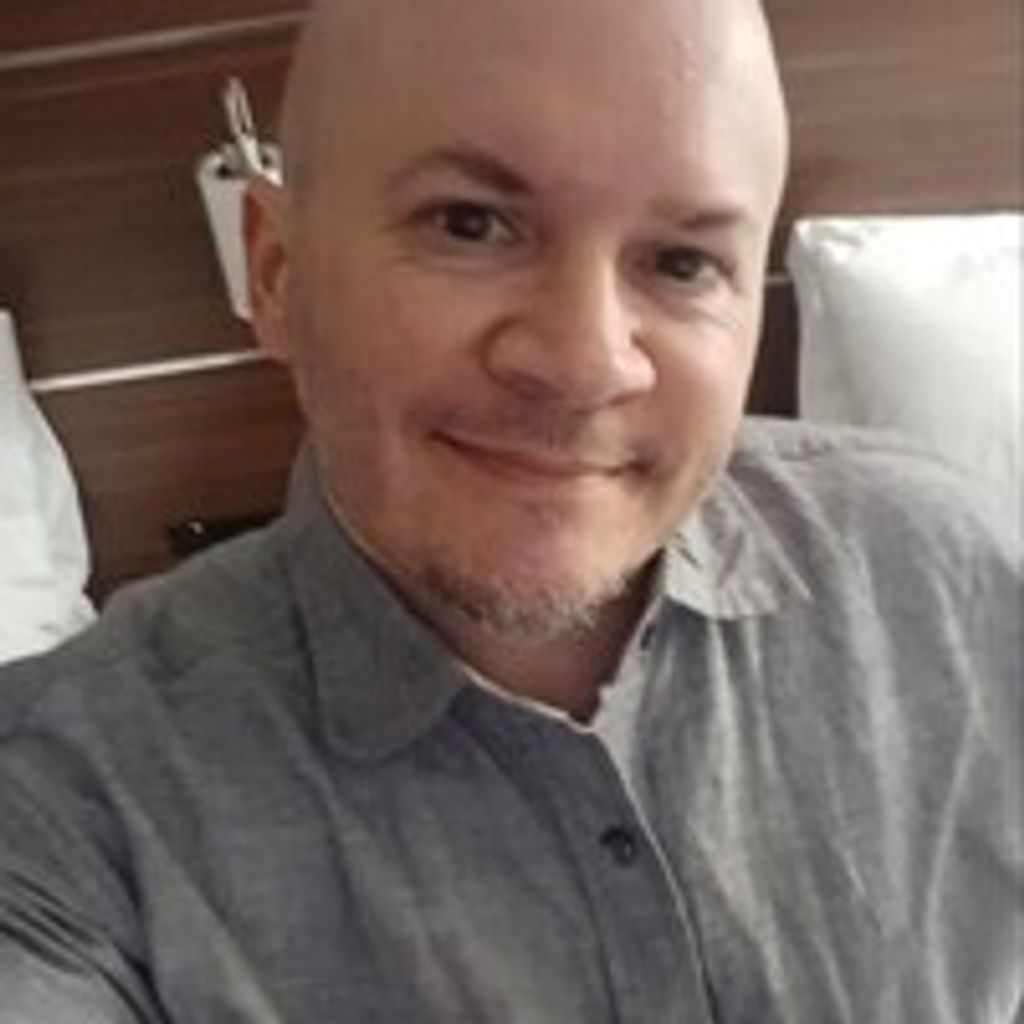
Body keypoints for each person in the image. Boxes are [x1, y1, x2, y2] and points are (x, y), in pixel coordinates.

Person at [0, 0, 1019, 1020]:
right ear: (277, 273)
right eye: (469, 223)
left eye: (682, 262)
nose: (584, 363)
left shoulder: (954, 577)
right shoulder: (65, 803)